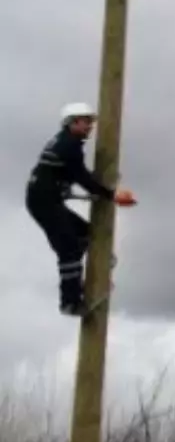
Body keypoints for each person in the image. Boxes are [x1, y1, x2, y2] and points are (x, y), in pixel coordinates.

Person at [26, 102, 137, 316]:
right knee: (68, 251)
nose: (90, 126)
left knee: (85, 235)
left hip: (47, 200)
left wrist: (91, 192)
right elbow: (82, 177)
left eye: (90, 122)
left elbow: (65, 176)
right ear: (73, 122)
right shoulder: (69, 146)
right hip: (45, 204)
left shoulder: (67, 142)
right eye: (86, 121)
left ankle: (87, 277)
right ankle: (70, 303)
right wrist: (111, 195)